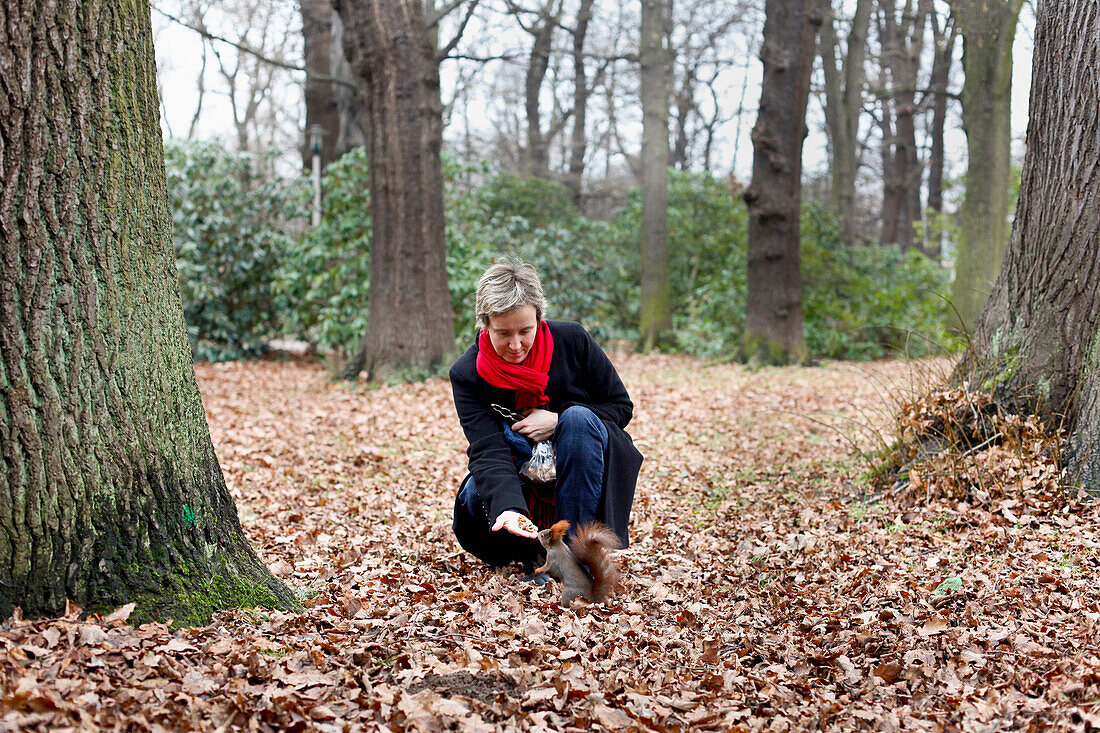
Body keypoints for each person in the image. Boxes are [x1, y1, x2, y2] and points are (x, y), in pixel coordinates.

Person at [449, 259, 643, 571]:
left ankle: (575, 554)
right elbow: (487, 449)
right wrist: (508, 509)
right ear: (485, 325)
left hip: (582, 468)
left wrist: (558, 420)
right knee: (473, 498)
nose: (515, 345)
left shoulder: (573, 341)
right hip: (518, 472)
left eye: (525, 331)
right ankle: (529, 554)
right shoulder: (467, 373)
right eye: (503, 333)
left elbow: (620, 407)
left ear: (540, 318)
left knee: (578, 419)